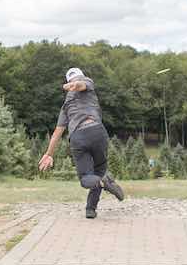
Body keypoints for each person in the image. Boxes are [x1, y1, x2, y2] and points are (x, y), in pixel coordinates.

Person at [38, 67, 125, 218]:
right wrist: (48, 154)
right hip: (97, 132)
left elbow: (57, 133)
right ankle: (94, 201)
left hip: (78, 138)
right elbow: (57, 132)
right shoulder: (88, 84)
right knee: (100, 173)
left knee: (87, 179)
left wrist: (49, 153)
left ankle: (91, 206)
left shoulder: (72, 98)